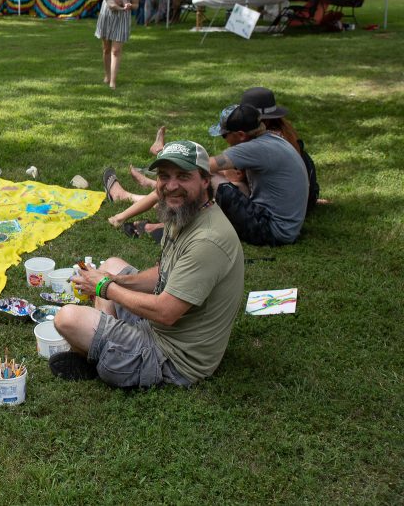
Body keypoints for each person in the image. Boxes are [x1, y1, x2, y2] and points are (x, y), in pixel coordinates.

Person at [50, 140, 244, 388]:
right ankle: (103, 344)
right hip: (161, 327)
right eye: (164, 176)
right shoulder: (184, 210)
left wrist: (106, 288)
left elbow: (166, 313)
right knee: (111, 265)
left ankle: (104, 349)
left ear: (205, 180)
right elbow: (163, 274)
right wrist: (117, 281)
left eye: (183, 176)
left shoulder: (208, 240)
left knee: (67, 318)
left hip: (173, 358)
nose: (172, 186)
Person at [208, 104, 308, 246]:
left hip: (274, 232)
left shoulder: (253, 148)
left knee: (210, 177)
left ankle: (183, 218)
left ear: (241, 135)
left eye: (225, 135)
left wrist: (166, 155)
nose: (224, 140)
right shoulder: (273, 140)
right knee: (236, 185)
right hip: (287, 229)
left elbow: (203, 165)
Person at [239, 87, 320, 213]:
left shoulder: (265, 143)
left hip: (285, 209)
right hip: (305, 199)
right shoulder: (285, 131)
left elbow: (238, 173)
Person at [95, 0, 138, 89]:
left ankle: (113, 81)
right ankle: (107, 75)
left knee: (116, 50)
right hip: (106, 16)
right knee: (106, 49)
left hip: (121, 18)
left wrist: (131, 5)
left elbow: (136, 4)